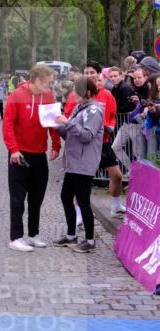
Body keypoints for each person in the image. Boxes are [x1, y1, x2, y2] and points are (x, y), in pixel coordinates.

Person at [2, 63, 61, 252]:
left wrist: (56, 144)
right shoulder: (17, 96)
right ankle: (16, 238)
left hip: (39, 153)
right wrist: (13, 149)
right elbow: (8, 124)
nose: (50, 86)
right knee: (18, 198)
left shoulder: (48, 96)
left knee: (37, 198)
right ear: (37, 80)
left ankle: (33, 234)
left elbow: (53, 122)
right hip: (20, 154)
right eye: (48, 82)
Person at [53, 77, 104, 253]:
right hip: (73, 161)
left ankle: (90, 240)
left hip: (84, 161)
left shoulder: (94, 110)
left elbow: (87, 135)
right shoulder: (79, 108)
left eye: (77, 90)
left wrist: (67, 123)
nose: (74, 93)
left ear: (88, 92)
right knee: (66, 197)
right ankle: (71, 235)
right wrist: (57, 125)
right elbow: (71, 134)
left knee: (83, 200)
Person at [65, 62, 122, 216]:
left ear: (98, 74)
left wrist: (110, 127)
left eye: (92, 72)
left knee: (117, 176)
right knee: (82, 183)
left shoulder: (106, 94)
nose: (89, 75)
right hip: (84, 145)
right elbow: (68, 116)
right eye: (86, 72)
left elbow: (112, 116)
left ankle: (116, 205)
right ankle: (79, 215)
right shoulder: (75, 93)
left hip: (103, 142)